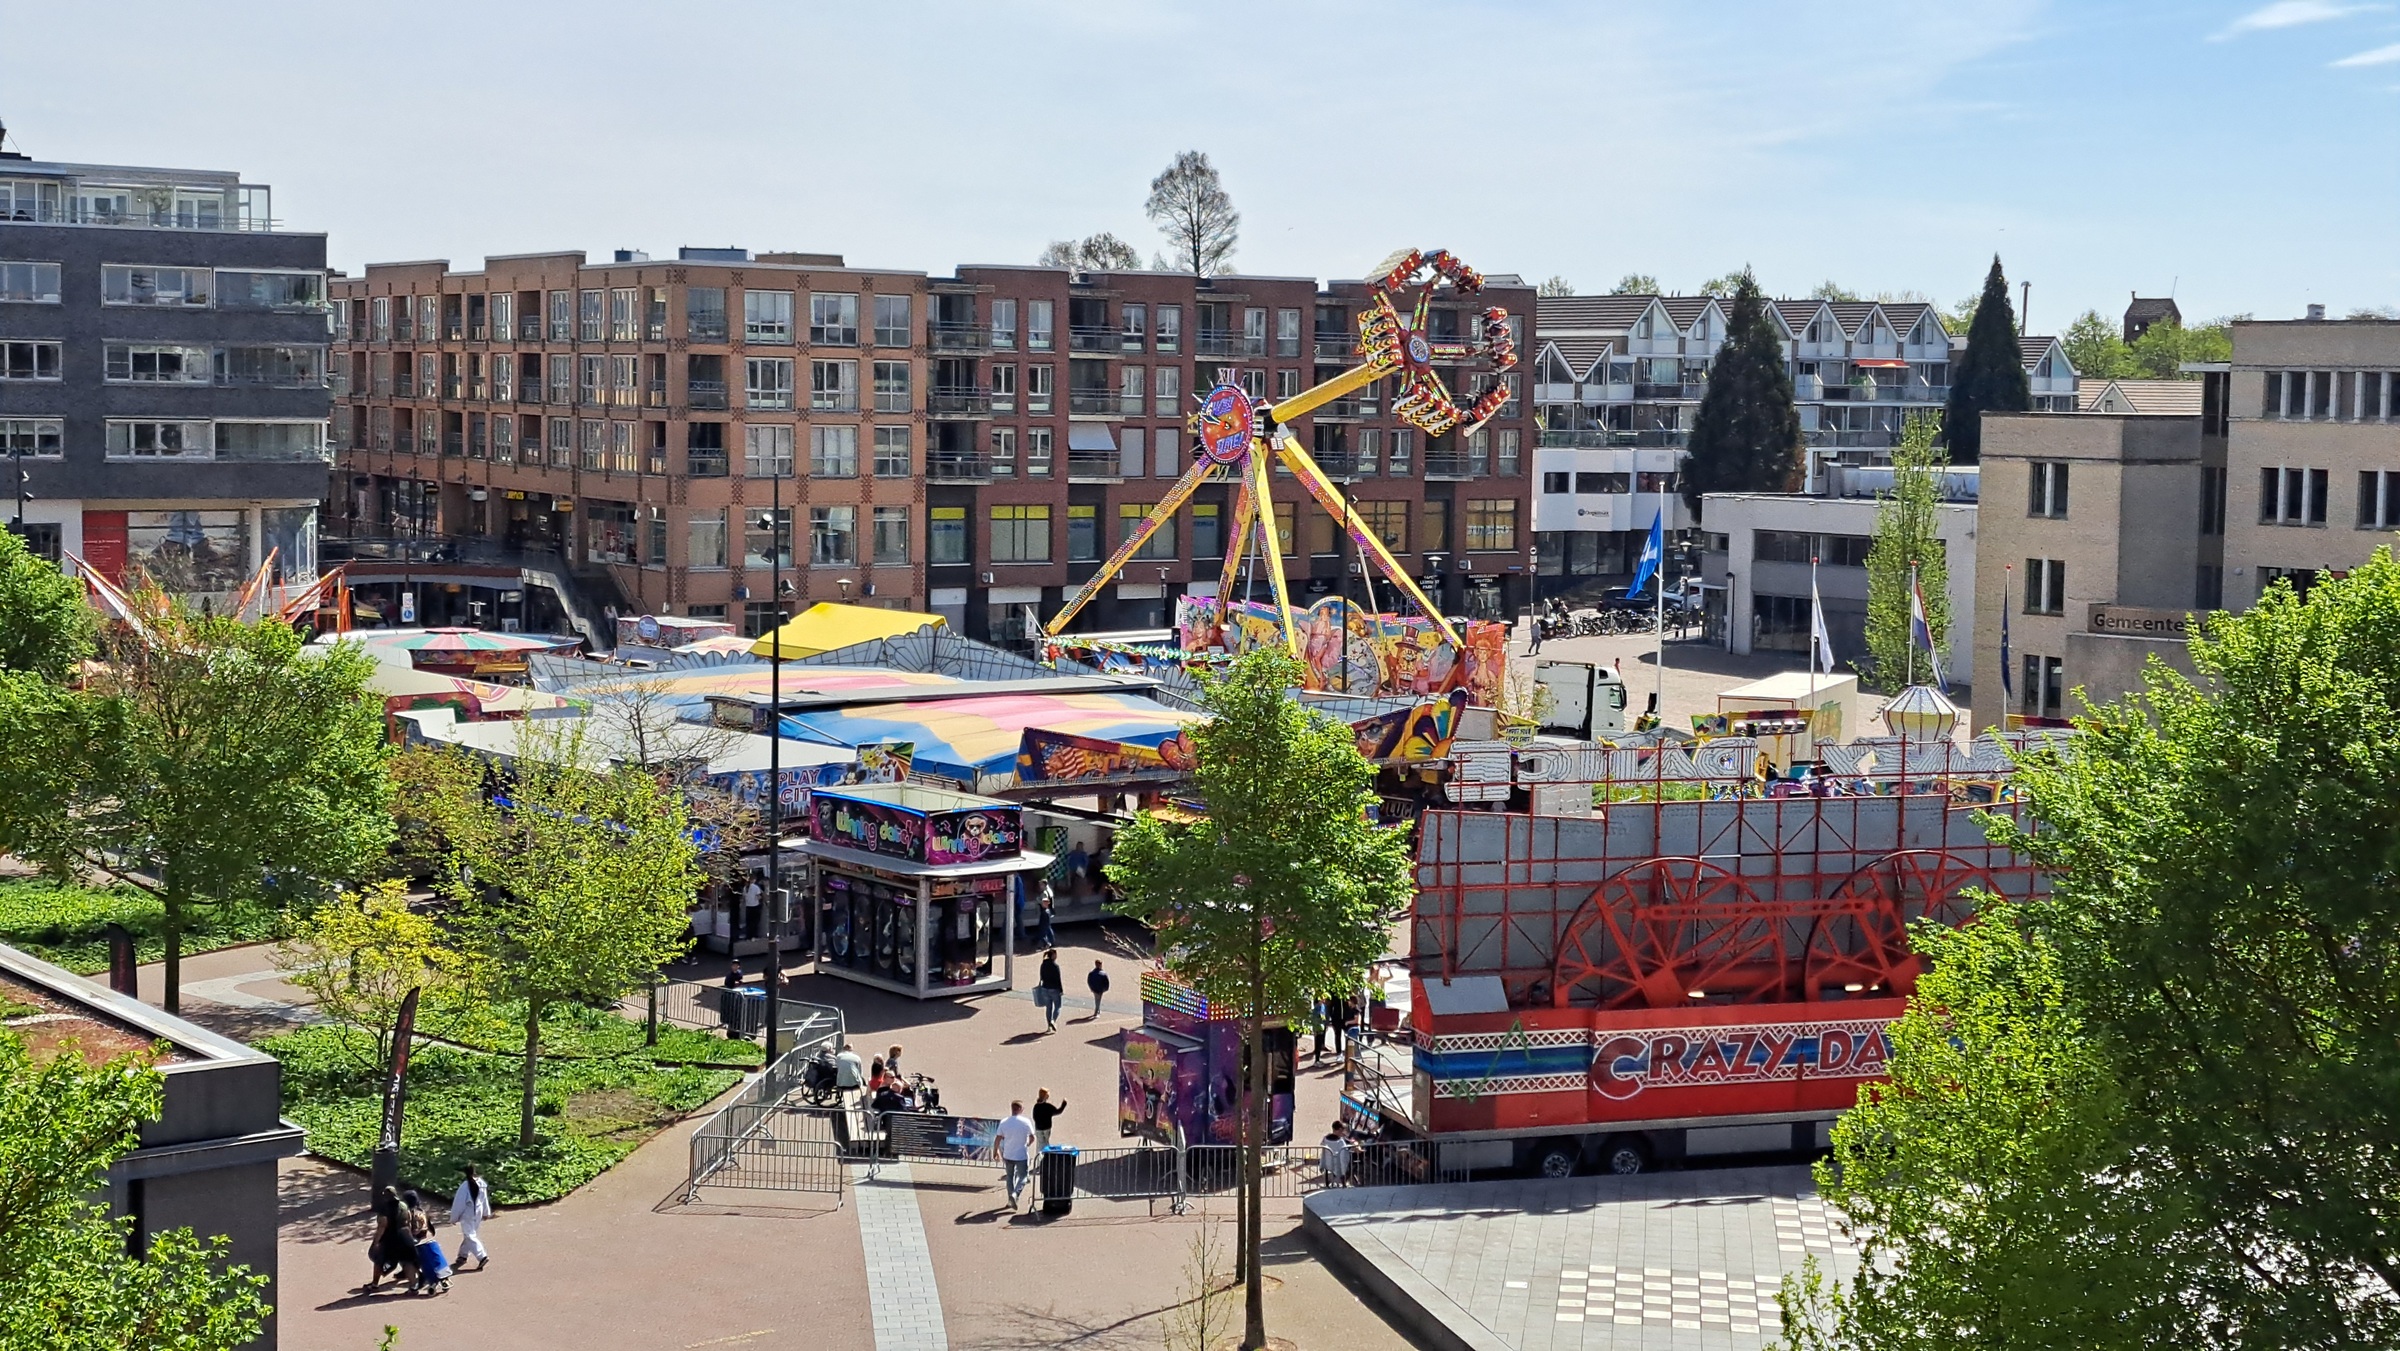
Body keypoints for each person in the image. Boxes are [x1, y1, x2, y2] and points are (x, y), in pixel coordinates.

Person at [363, 1184, 410, 1292]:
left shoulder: (385, 1208)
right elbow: (408, 1219)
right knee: (404, 1257)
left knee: (379, 1260)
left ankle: (374, 1284)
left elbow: (382, 1225)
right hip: (403, 1234)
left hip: (389, 1237)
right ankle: (408, 1276)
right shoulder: (403, 1205)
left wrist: (376, 1241)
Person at [402, 1189, 449, 1295]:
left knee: (413, 1261)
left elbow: (408, 1228)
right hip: (428, 1240)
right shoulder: (422, 1211)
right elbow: (429, 1226)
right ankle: (442, 1278)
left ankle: (419, 1281)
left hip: (416, 1242)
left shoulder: (409, 1213)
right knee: (432, 1259)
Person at [994, 1101, 1036, 1210]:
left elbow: (998, 1138)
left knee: (1009, 1177)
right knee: (1023, 1176)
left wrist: (995, 1152)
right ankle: (1015, 1194)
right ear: (1021, 1109)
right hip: (1021, 1154)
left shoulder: (1004, 1122)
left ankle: (1010, 1200)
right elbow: (1032, 1137)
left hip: (1008, 1154)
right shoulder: (1025, 1121)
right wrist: (1027, 1144)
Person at [450, 1165, 491, 1272]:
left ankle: (482, 1256)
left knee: (470, 1235)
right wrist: (486, 1212)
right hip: (478, 1212)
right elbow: (484, 1199)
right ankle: (462, 1255)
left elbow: (459, 1204)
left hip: (467, 1214)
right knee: (470, 1235)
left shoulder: (464, 1187)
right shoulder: (481, 1183)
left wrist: (454, 1218)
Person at [1037, 949, 1064, 1032]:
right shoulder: (1055, 966)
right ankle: (1053, 1020)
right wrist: (1061, 990)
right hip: (1054, 989)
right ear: (1052, 956)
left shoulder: (1043, 964)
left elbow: (1041, 976)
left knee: (1048, 1007)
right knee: (1058, 1006)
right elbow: (1058, 979)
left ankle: (1048, 1026)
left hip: (1045, 988)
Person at [1320, 1121, 1355, 1186]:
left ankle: (1331, 1181)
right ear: (1339, 1130)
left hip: (1328, 1164)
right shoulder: (1340, 1142)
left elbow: (1323, 1152)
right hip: (1338, 1164)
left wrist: (1321, 1164)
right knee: (1351, 1165)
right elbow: (1343, 1157)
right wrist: (1343, 1172)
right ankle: (1344, 1182)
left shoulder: (1325, 1139)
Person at [1031, 1088, 1066, 1152]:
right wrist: (1064, 1104)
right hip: (1047, 1128)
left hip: (1038, 1128)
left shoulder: (1036, 1106)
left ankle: (1039, 1156)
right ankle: (1045, 1156)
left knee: (1040, 1143)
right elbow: (1058, 1111)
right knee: (1045, 1142)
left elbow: (1034, 1117)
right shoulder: (1048, 1107)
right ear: (1046, 1096)